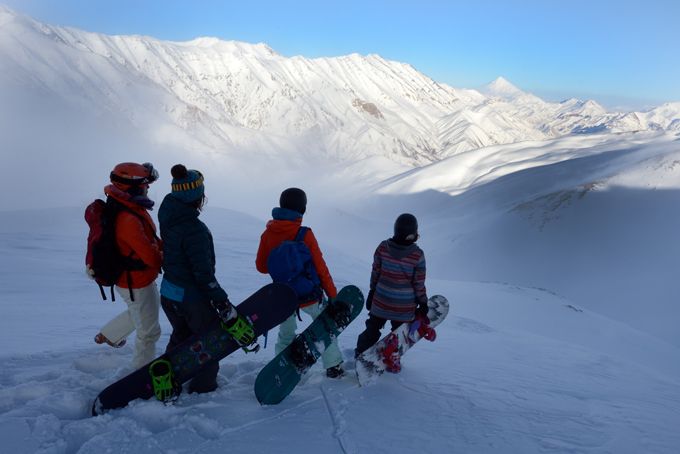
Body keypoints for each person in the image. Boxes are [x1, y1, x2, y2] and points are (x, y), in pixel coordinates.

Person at [158, 164, 252, 394]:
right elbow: (203, 274)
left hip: (169, 293)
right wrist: (222, 302)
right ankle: (204, 388)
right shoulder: (194, 230)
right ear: (197, 197)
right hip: (191, 299)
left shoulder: (168, 215)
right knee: (209, 345)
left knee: (182, 337)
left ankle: (164, 372)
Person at [255, 187, 345, 378]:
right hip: (309, 295)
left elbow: (261, 266)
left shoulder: (268, 233)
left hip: (283, 296)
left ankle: (281, 368)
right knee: (325, 328)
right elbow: (321, 268)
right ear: (302, 209)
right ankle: (333, 366)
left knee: (285, 333)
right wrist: (333, 296)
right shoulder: (304, 234)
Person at [93, 162, 163, 370]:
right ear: (131, 186)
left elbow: (150, 241)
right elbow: (151, 257)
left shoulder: (128, 207)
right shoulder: (128, 219)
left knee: (144, 312)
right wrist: (167, 253)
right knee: (149, 332)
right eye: (144, 184)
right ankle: (140, 377)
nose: (147, 187)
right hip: (136, 282)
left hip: (134, 280)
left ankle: (110, 334)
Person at [354, 213, 428, 372]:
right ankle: (391, 358)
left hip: (381, 300)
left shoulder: (383, 247)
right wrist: (423, 302)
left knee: (372, 329)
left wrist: (372, 291)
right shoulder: (417, 255)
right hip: (404, 307)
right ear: (413, 233)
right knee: (399, 334)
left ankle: (360, 354)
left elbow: (376, 272)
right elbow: (418, 283)